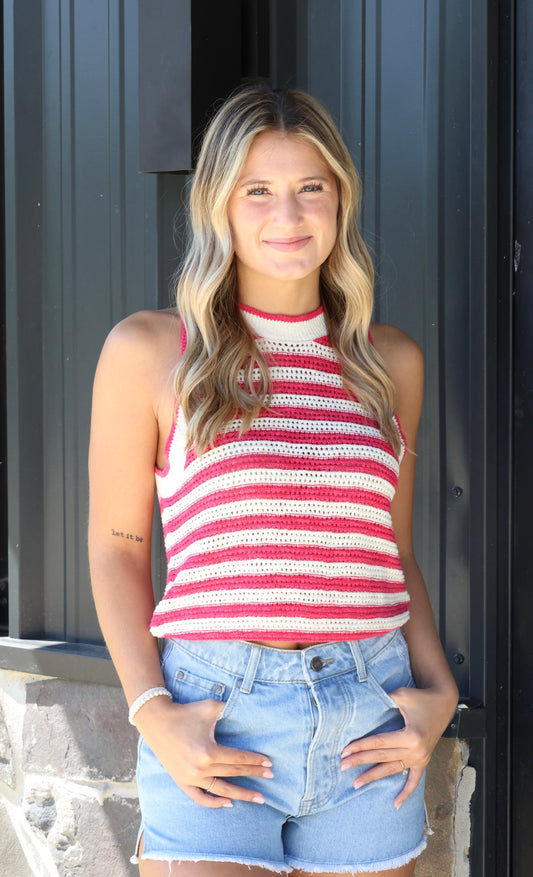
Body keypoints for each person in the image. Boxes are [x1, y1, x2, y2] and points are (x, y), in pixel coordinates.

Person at [88, 86, 458, 876]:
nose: (286, 216)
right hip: (217, 712)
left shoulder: (386, 363)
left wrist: (438, 691)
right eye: (257, 191)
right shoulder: (154, 352)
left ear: (339, 201)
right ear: (217, 205)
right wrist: (153, 712)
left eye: (308, 189)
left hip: (370, 716)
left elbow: (389, 552)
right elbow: (117, 547)